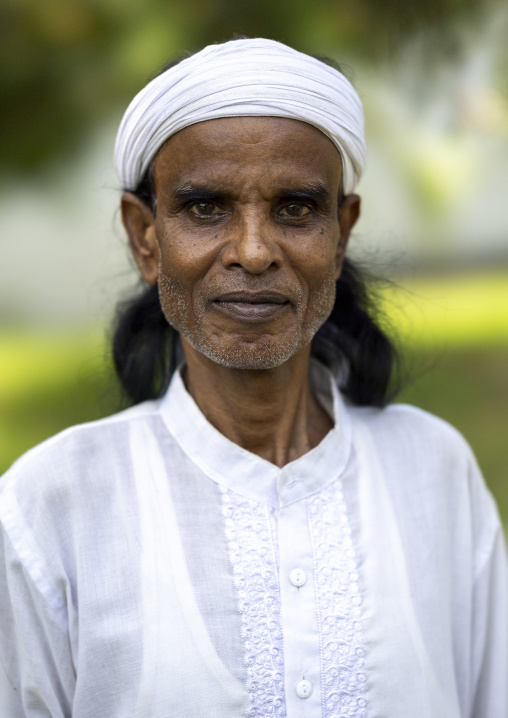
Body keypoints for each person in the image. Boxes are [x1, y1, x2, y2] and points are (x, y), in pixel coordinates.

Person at [0, 37, 506, 718]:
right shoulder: (50, 508)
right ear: (145, 237)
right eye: (206, 208)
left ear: (342, 232)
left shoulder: (434, 473)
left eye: (295, 208)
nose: (254, 251)